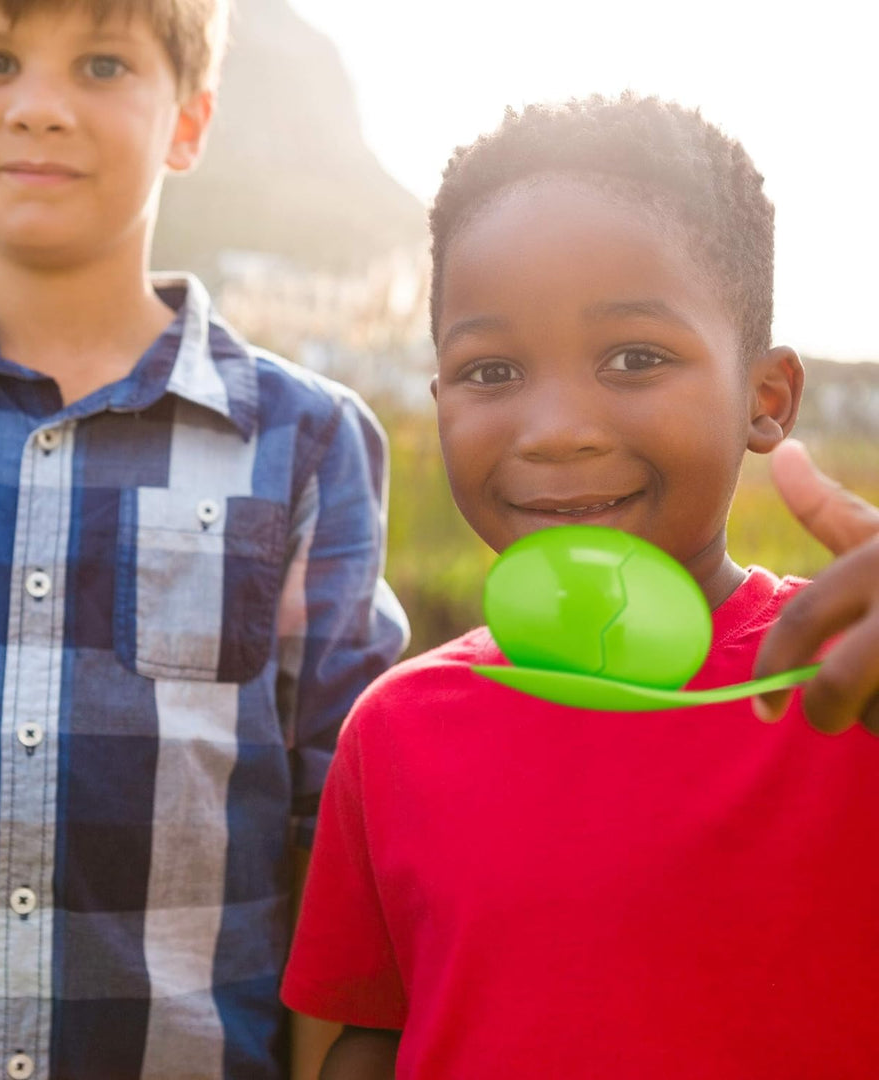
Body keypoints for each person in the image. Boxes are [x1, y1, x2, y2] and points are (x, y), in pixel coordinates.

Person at [0, 1, 407, 1077]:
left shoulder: (311, 444)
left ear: (189, 121)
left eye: (101, 65)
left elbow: (342, 844)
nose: (40, 108)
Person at [281, 94, 879, 1079]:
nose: (556, 427)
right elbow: (372, 1038)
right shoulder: (394, 730)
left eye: (635, 358)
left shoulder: (851, 688)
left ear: (765, 400)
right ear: (441, 398)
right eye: (493, 369)